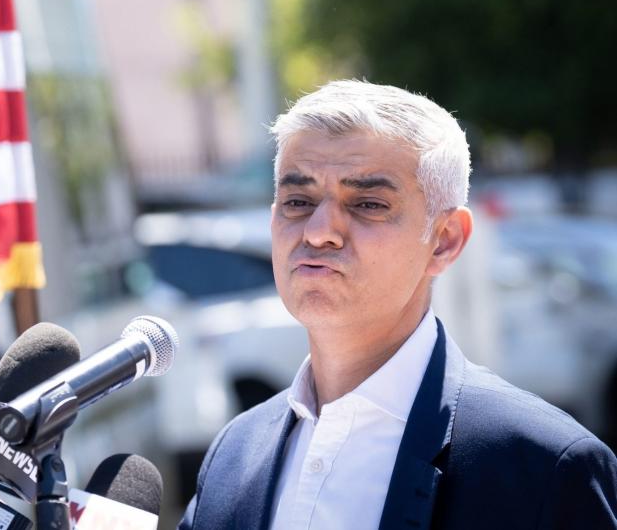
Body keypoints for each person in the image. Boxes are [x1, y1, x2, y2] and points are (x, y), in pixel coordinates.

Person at [178, 80, 617, 530]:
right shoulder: (234, 455)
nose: (318, 230)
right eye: (298, 201)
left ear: (444, 241)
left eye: (367, 203)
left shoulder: (543, 468)